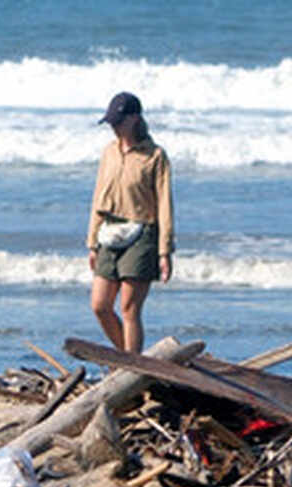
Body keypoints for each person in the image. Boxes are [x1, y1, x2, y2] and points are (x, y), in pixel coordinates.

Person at [86, 91, 174, 353]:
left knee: (128, 308)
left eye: (118, 122)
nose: (113, 127)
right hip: (109, 233)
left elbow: (165, 205)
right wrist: (92, 241)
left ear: (134, 119)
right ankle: (131, 362)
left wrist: (164, 251)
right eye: (111, 122)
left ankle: (131, 367)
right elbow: (98, 198)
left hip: (142, 232)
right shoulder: (109, 153)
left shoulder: (155, 156)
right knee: (100, 306)